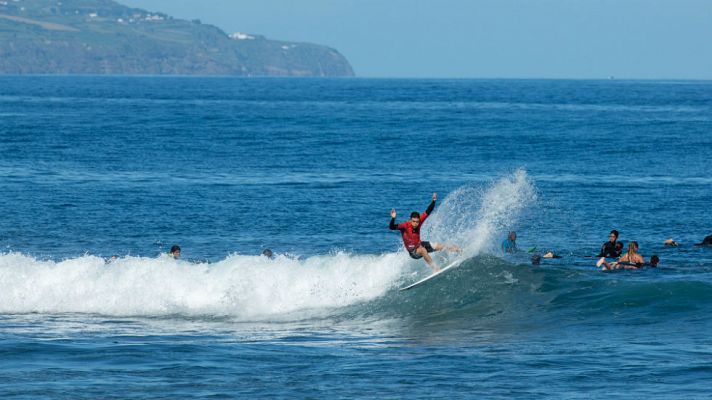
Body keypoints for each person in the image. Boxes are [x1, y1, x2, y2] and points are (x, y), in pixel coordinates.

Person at [389, 192, 461, 272]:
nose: (416, 223)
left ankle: (460, 251)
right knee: (423, 250)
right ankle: (436, 269)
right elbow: (391, 227)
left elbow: (428, 211)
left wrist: (433, 201)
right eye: (414, 221)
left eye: (417, 221)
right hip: (413, 252)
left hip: (420, 244)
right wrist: (393, 218)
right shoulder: (405, 226)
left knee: (441, 246)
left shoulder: (419, 221)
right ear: (410, 220)